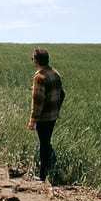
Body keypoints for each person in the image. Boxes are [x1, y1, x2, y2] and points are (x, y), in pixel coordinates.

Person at [26, 48, 65, 182]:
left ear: (37, 60)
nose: (32, 61)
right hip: (53, 115)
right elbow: (62, 94)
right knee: (46, 142)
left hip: (44, 117)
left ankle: (43, 175)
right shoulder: (55, 73)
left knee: (44, 144)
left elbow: (38, 101)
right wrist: (57, 108)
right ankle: (54, 166)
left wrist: (32, 120)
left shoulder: (39, 77)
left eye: (33, 59)